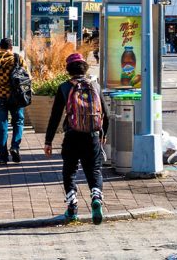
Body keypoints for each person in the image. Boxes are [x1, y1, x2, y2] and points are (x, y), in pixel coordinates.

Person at [44, 53, 109, 225]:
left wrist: (48, 141)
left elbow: (55, 116)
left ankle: (72, 207)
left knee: (70, 170)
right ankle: (96, 197)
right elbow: (106, 114)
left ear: (68, 70)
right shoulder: (95, 86)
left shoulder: (64, 87)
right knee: (94, 170)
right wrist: (104, 134)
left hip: (72, 136)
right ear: (85, 68)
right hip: (92, 136)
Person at [0, 37, 24, 165]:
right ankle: (15, 146)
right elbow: (27, 77)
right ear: (11, 47)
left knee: (1, 126)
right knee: (18, 121)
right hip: (16, 97)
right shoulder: (17, 58)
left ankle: (3, 156)